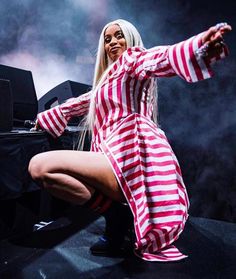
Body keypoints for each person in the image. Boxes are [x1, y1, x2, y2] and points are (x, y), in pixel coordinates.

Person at [28, 19, 232, 262]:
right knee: (43, 171)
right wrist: (48, 116)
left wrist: (198, 46)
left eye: (119, 36)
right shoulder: (108, 79)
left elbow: (160, 57)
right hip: (112, 154)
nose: (113, 42)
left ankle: (116, 216)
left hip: (132, 155)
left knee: (40, 166)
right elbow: (83, 102)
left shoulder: (133, 59)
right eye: (107, 39)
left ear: (131, 39)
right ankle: (118, 216)